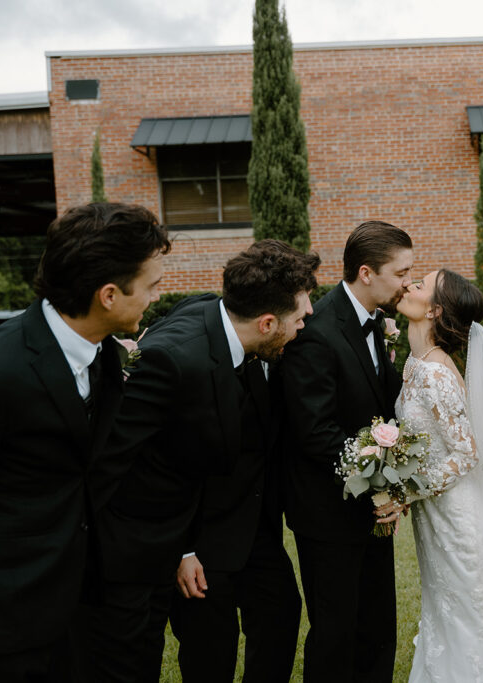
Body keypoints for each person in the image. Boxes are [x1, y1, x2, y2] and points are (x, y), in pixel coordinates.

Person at [0, 202, 170, 683]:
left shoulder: (102, 356)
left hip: (73, 617)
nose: (155, 298)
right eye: (152, 286)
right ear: (107, 295)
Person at [78, 239, 319, 682]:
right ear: (267, 323)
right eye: (300, 318)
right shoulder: (171, 360)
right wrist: (182, 549)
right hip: (177, 542)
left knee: (281, 611)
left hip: (247, 524)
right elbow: (127, 466)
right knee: (205, 651)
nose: (306, 326)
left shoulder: (219, 312)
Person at [280, 220, 413, 682]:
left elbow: (381, 403)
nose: (408, 283)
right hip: (328, 512)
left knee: (377, 626)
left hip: (373, 510)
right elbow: (315, 431)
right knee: (336, 633)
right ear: (366, 272)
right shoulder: (316, 330)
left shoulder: (376, 323)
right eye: (401, 273)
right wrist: (379, 484)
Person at [380, 269, 483, 682]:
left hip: (458, 520)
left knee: (468, 617)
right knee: (444, 612)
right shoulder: (416, 360)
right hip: (436, 516)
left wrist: (406, 491)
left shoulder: (437, 373)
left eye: (419, 285)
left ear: (435, 310)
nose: (408, 286)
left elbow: (466, 452)